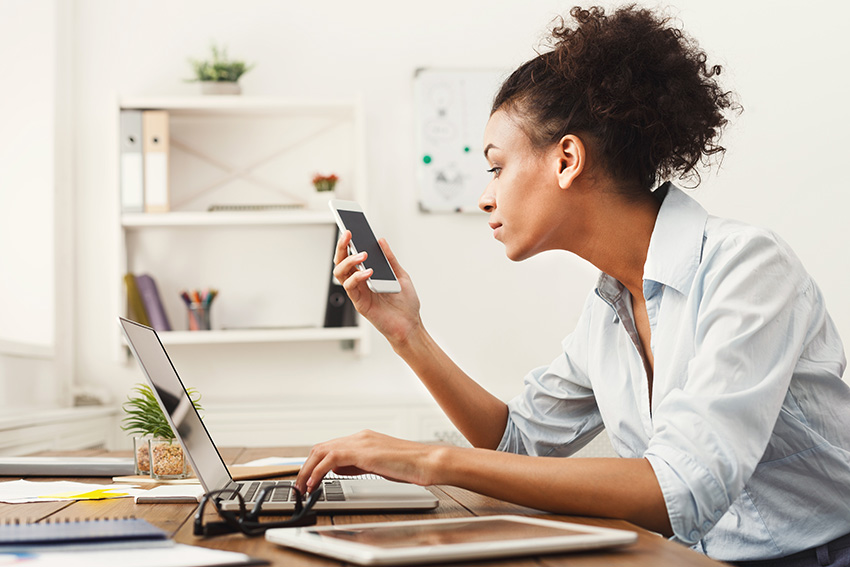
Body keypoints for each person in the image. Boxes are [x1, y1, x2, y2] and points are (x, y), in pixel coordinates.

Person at [295, 5, 850, 565]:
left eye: (496, 167)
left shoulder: (749, 268)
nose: (485, 197)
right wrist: (407, 332)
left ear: (566, 159)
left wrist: (428, 461)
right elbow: (516, 443)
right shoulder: (609, 307)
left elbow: (678, 489)